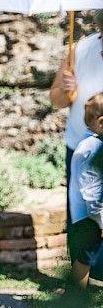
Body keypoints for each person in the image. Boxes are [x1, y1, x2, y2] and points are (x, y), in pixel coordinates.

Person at [50, 11, 103, 199]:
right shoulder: (81, 49)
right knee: (82, 223)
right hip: (82, 150)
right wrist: (65, 89)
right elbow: (57, 100)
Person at [68, 92, 103, 288]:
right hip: (89, 219)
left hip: (92, 217)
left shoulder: (92, 143)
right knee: (83, 262)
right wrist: (101, 221)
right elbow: (92, 192)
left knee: (84, 261)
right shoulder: (91, 149)